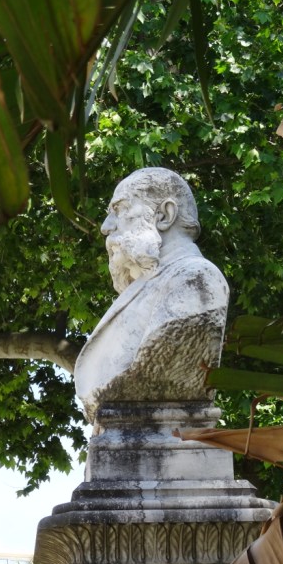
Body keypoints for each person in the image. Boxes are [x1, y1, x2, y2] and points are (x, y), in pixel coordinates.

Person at [74, 168, 229, 424]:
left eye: (120, 209)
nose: (106, 227)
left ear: (164, 215)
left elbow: (156, 371)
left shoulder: (197, 281)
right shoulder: (149, 285)